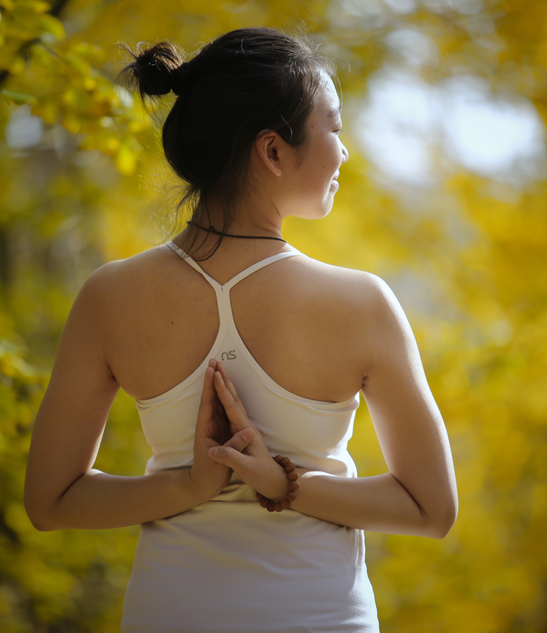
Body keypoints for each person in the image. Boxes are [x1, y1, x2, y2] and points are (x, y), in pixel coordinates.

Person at [23, 27, 458, 632]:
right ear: (273, 151)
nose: (345, 150)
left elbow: (51, 501)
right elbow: (431, 508)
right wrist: (286, 484)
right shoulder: (361, 303)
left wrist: (192, 486)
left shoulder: (111, 297)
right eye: (333, 128)